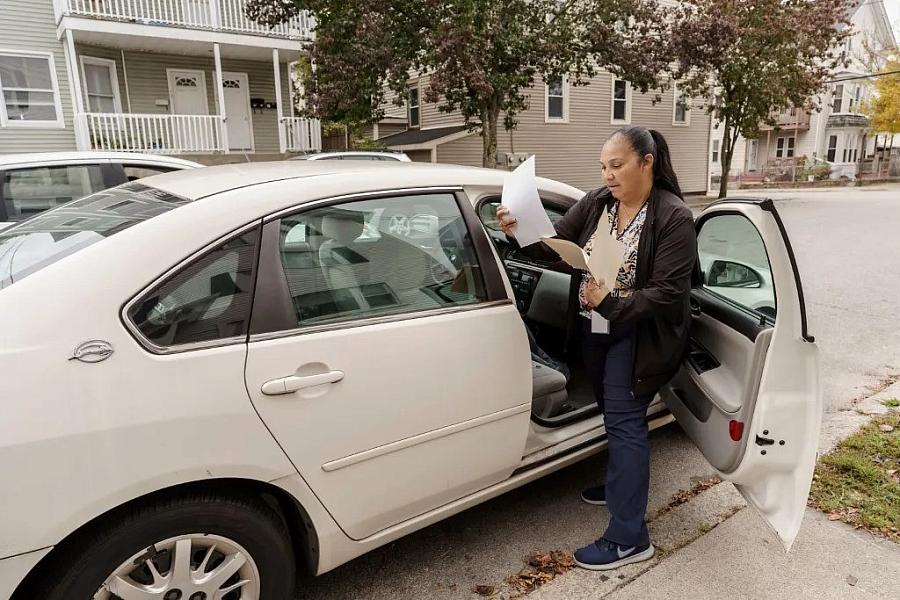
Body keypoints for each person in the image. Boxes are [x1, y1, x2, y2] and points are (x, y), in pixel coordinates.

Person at [497, 127, 697, 570]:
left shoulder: (673, 217)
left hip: (638, 335)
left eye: (617, 165)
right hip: (595, 326)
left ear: (647, 162)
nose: (608, 175)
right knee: (612, 410)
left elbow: (667, 292)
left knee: (625, 423)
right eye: (603, 167)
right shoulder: (598, 203)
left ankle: (629, 537)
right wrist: (518, 233)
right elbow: (557, 251)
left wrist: (610, 301)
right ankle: (622, 484)